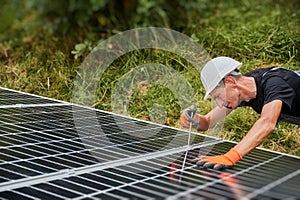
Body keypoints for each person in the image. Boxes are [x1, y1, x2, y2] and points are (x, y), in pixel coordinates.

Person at [180, 56, 300, 170]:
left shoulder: (275, 84)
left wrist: (230, 157)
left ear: (231, 81)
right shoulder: (243, 90)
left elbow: (267, 123)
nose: (220, 104)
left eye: (218, 96)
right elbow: (207, 122)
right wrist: (194, 120)